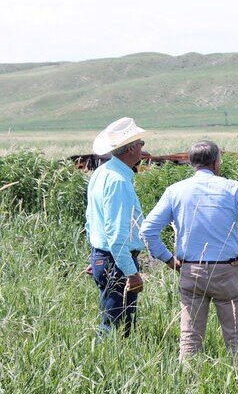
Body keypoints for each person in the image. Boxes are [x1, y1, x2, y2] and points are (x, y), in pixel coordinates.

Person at [140, 140, 238, 360]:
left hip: (191, 269)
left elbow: (147, 229)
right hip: (226, 270)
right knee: (236, 337)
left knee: (190, 338)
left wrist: (168, 259)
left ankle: (188, 383)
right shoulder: (233, 188)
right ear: (216, 162)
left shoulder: (175, 191)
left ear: (192, 163)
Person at [85, 116, 158, 337]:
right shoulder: (118, 180)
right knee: (116, 327)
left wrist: (96, 255)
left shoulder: (101, 173)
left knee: (115, 320)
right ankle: (102, 365)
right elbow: (117, 234)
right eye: (141, 143)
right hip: (116, 260)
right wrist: (131, 272)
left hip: (105, 256)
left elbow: (91, 219)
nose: (143, 148)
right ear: (131, 149)